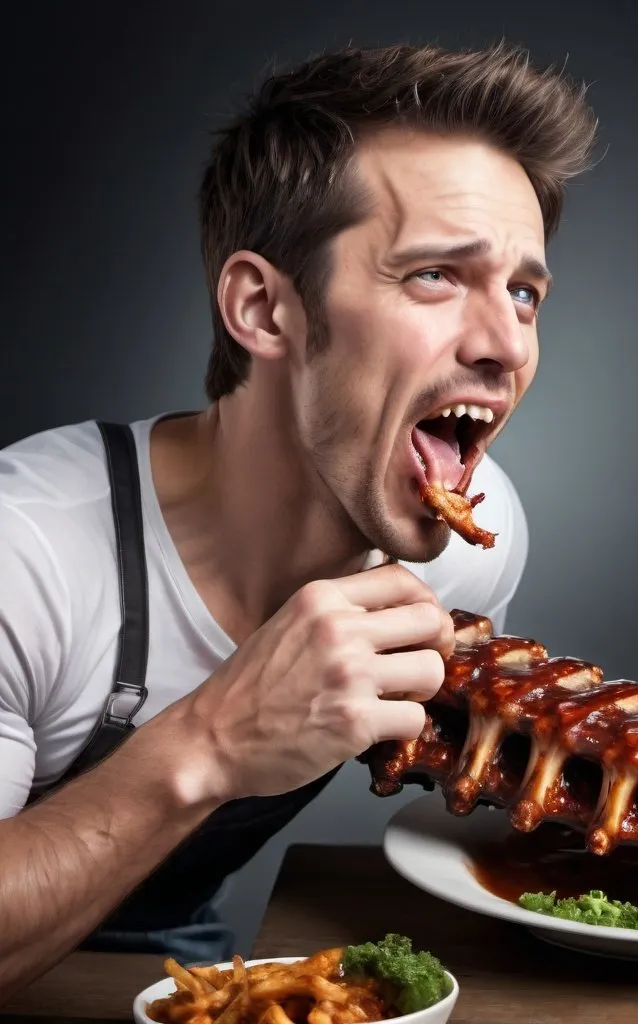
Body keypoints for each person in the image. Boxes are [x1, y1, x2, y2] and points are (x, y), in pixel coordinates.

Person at [0, 40, 598, 999]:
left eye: (523, 292)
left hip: (181, 981)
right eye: (437, 275)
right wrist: (210, 743)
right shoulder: (27, 552)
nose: (504, 346)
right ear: (264, 309)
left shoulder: (466, 555)